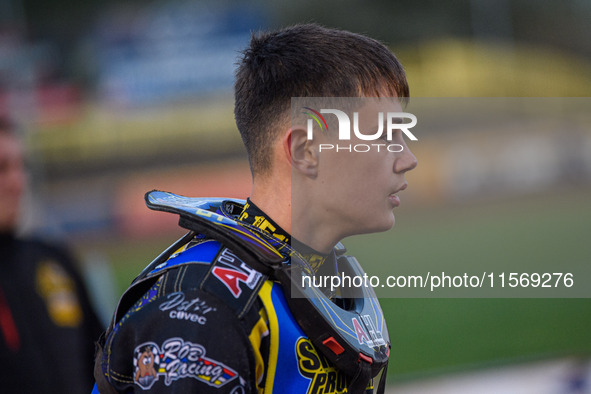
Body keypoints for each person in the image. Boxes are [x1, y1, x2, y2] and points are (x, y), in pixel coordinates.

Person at [94, 23, 417, 394]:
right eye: (385, 137)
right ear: (305, 151)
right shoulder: (204, 305)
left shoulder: (316, 274)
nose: (408, 159)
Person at [0, 117, 104, 392]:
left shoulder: (53, 260)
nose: (17, 182)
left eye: (21, 167)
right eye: (2, 168)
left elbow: (104, 361)